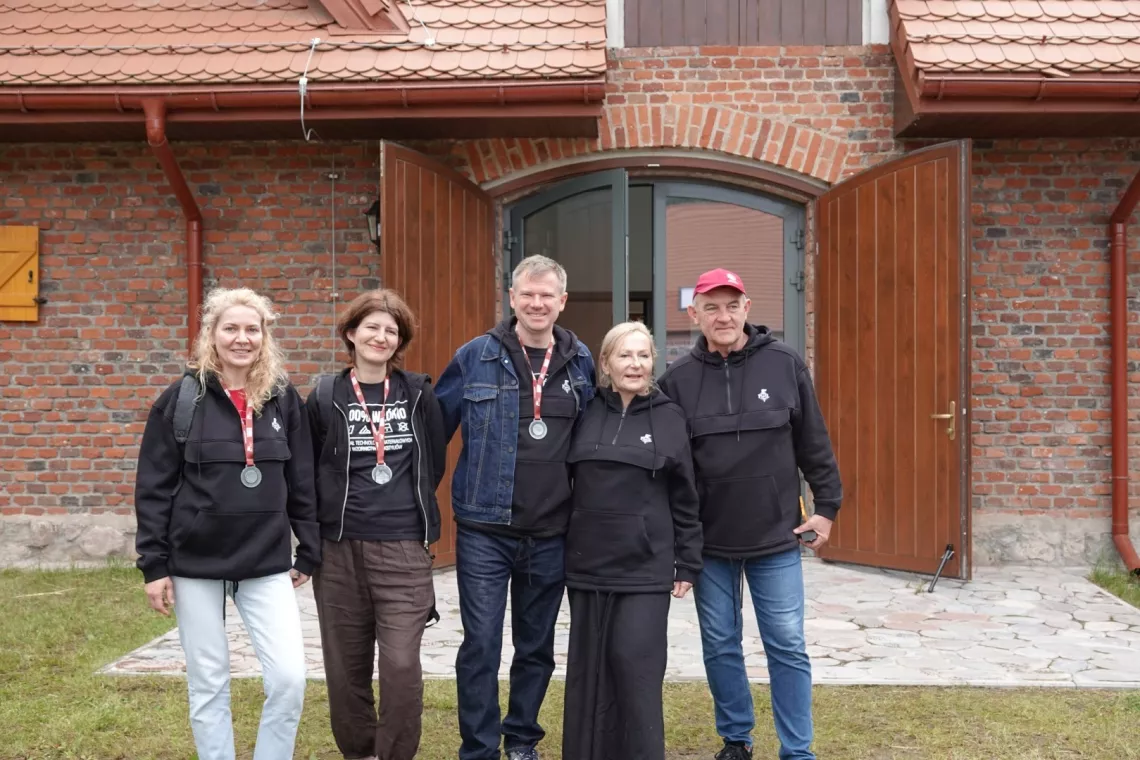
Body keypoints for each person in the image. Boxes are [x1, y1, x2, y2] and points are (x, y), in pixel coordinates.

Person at [658, 268, 842, 760]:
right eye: (711, 307)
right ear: (693, 313)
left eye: (731, 305)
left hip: (776, 536)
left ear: (747, 308)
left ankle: (797, 750)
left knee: (787, 643)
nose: (723, 316)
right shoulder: (676, 381)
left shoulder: (784, 364)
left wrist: (826, 508)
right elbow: (669, 467)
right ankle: (736, 739)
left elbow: (814, 443)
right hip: (710, 543)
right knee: (720, 643)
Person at [134, 287, 320, 760]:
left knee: (289, 679)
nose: (242, 338)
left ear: (265, 336)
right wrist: (154, 565)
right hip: (195, 562)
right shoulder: (181, 399)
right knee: (209, 680)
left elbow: (301, 479)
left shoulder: (283, 398)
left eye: (252, 329)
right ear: (211, 335)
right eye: (230, 328)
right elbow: (153, 487)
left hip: (266, 561)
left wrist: (309, 549)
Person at [435, 254, 596, 760]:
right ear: (512, 297)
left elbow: (595, 445)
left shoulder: (581, 362)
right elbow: (433, 433)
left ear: (562, 301)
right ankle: (479, 748)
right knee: (481, 645)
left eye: (547, 295)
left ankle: (522, 739)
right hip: (485, 530)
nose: (537, 303)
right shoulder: (474, 356)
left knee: (536, 647)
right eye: (528, 293)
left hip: (552, 533)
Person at [306, 289, 447, 760]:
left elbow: (433, 462)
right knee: (345, 668)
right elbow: (309, 469)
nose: (381, 337)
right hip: (339, 550)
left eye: (391, 331)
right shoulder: (324, 395)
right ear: (351, 333)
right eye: (372, 327)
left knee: (401, 665)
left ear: (399, 341)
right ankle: (360, 751)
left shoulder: (419, 394)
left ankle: (395, 754)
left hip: (403, 550)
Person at [562, 321, 702, 760]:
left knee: (634, 666)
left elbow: (686, 495)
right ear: (605, 363)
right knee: (588, 673)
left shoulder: (670, 417)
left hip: (645, 566)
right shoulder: (584, 412)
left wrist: (687, 561)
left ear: (653, 362)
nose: (635, 364)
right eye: (624, 355)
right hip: (587, 565)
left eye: (643, 355)